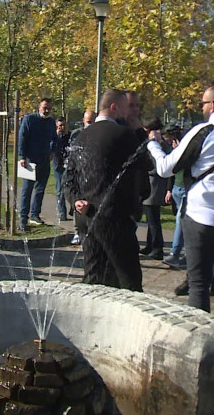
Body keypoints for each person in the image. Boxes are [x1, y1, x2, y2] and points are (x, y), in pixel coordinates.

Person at [146, 85, 214, 318]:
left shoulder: (207, 131)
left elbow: (166, 168)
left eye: (202, 104)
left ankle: (201, 341)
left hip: (201, 217)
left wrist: (153, 145)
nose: (201, 108)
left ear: (213, 105)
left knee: (198, 283)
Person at [67, 89, 148, 291]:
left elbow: (69, 178)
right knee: (128, 279)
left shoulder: (81, 136)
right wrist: (140, 132)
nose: (128, 112)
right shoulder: (124, 134)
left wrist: (76, 199)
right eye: (125, 107)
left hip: (86, 217)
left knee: (94, 276)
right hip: (114, 219)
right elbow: (148, 163)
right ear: (114, 107)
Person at [18, 98, 56, 230]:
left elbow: (54, 139)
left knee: (40, 189)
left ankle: (35, 215)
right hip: (29, 160)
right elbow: (22, 137)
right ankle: (23, 217)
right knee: (27, 190)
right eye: (44, 108)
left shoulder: (51, 122)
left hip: (44, 160)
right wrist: (22, 157)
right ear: (39, 107)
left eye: (49, 108)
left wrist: (53, 151)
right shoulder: (29, 119)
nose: (46, 111)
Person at [140, 118, 170, 260]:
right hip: (154, 183)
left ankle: (157, 248)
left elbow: (153, 163)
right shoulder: (159, 143)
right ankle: (150, 244)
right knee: (151, 217)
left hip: (153, 184)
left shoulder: (157, 145)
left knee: (153, 219)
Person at [67, 110, 95, 245]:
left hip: (91, 174)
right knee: (77, 202)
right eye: (88, 122)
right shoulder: (77, 134)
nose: (90, 125)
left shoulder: (98, 135)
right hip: (77, 173)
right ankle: (77, 231)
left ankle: (89, 231)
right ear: (83, 121)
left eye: (92, 122)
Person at [162, 125, 187, 270]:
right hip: (177, 187)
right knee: (182, 221)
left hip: (185, 188)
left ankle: (175, 253)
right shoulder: (174, 148)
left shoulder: (185, 147)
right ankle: (184, 254)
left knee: (180, 220)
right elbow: (170, 169)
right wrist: (169, 189)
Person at [51, 118, 71, 222]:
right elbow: (51, 149)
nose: (61, 128)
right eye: (59, 126)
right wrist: (57, 137)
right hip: (58, 166)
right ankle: (62, 212)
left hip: (70, 166)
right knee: (60, 190)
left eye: (63, 126)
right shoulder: (54, 137)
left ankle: (73, 209)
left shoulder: (71, 136)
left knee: (73, 188)